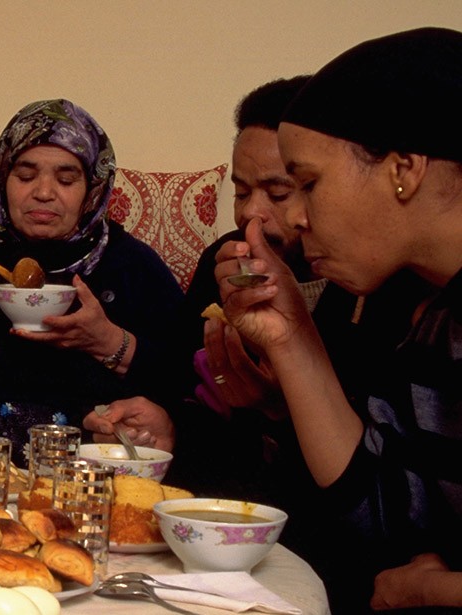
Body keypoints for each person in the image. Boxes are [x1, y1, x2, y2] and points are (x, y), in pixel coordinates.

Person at [87, 76, 429, 614]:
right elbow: (188, 390)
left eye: (284, 190)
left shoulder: (375, 288)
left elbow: (379, 499)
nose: (255, 216)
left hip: (324, 550)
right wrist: (169, 423)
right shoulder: (226, 263)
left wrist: (278, 407)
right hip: (217, 532)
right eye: (242, 191)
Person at [218, 27, 462, 610]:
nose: (294, 218)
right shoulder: (435, 320)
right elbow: (383, 511)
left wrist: (438, 589)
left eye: (306, 183)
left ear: (404, 167)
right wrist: (291, 335)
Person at [0, 99, 183, 460]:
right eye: (25, 176)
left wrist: (108, 342)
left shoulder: (130, 264)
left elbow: (188, 382)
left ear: (93, 188)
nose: (43, 192)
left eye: (66, 179)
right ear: (1, 180)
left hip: (84, 476)